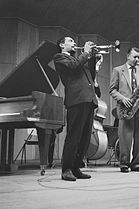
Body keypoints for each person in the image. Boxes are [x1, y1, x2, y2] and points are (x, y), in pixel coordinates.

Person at [53, 36, 99, 181]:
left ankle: (76, 168)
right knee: (74, 136)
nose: (74, 43)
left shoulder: (79, 60)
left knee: (85, 137)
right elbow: (74, 67)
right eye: (70, 41)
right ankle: (66, 169)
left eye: (74, 41)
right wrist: (86, 53)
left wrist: (93, 60)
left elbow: (90, 76)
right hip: (76, 100)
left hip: (89, 99)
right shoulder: (59, 57)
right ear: (62, 44)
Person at [109, 47, 139, 173]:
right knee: (125, 138)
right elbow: (112, 90)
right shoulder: (117, 70)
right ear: (128, 56)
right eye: (134, 57)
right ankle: (124, 164)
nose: (137, 59)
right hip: (125, 108)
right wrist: (123, 99)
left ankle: (136, 164)